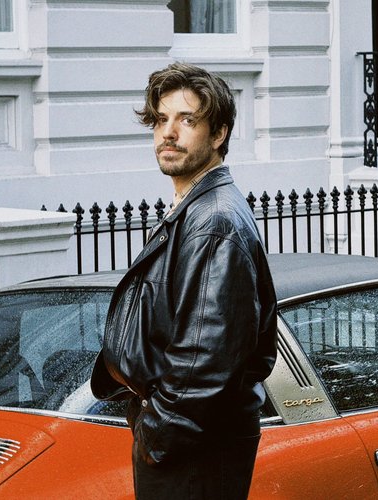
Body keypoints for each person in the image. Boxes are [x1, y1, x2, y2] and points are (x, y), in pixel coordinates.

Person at [91, 62, 277, 499]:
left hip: (194, 449)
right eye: (161, 120)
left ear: (219, 134)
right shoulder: (195, 208)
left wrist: (156, 438)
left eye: (187, 120)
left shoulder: (214, 221)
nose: (168, 133)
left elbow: (205, 358)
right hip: (188, 441)